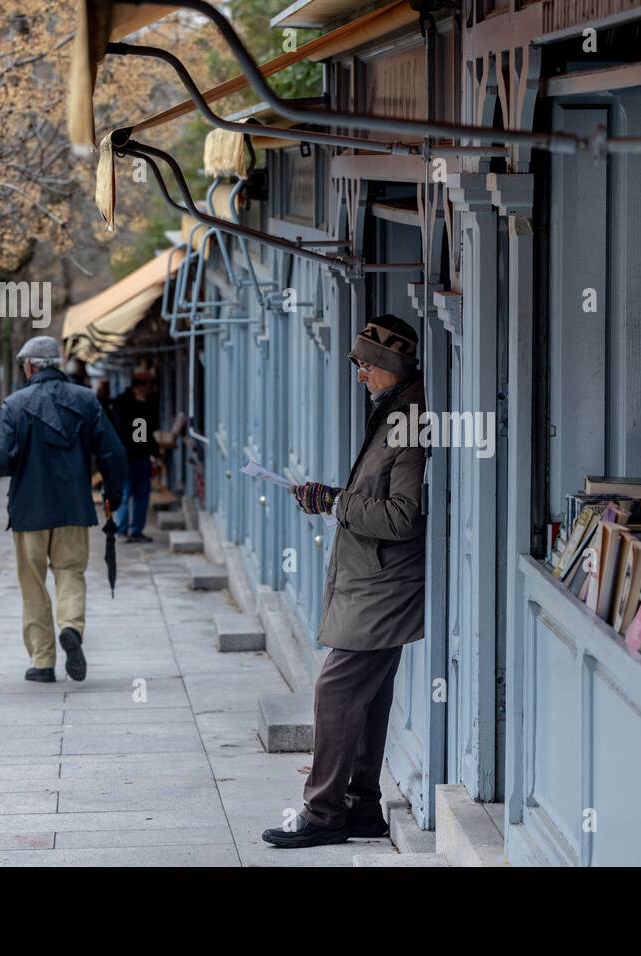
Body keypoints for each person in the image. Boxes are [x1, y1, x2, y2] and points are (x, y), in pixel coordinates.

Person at [262, 314, 427, 849]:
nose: (359, 374)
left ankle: (323, 811)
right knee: (369, 695)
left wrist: (336, 501)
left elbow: (403, 517)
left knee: (336, 690)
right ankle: (359, 807)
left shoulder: (409, 421)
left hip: (386, 583)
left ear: (389, 366)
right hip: (374, 577)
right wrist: (334, 495)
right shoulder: (393, 411)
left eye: (364, 365)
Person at [0, 336, 127, 683]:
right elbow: (114, 453)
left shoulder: (14, 405)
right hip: (73, 508)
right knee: (70, 572)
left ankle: (42, 660)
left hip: (28, 510)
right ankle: (71, 627)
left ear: (31, 366)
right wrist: (113, 494)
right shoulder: (87, 400)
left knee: (33, 583)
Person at [111, 370, 158, 543]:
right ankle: (122, 530)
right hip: (128, 456)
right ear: (140, 387)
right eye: (147, 387)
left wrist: (153, 452)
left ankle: (136, 530)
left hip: (141, 456)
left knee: (142, 495)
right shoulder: (123, 404)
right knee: (126, 493)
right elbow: (132, 429)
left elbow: (148, 429)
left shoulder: (146, 403)